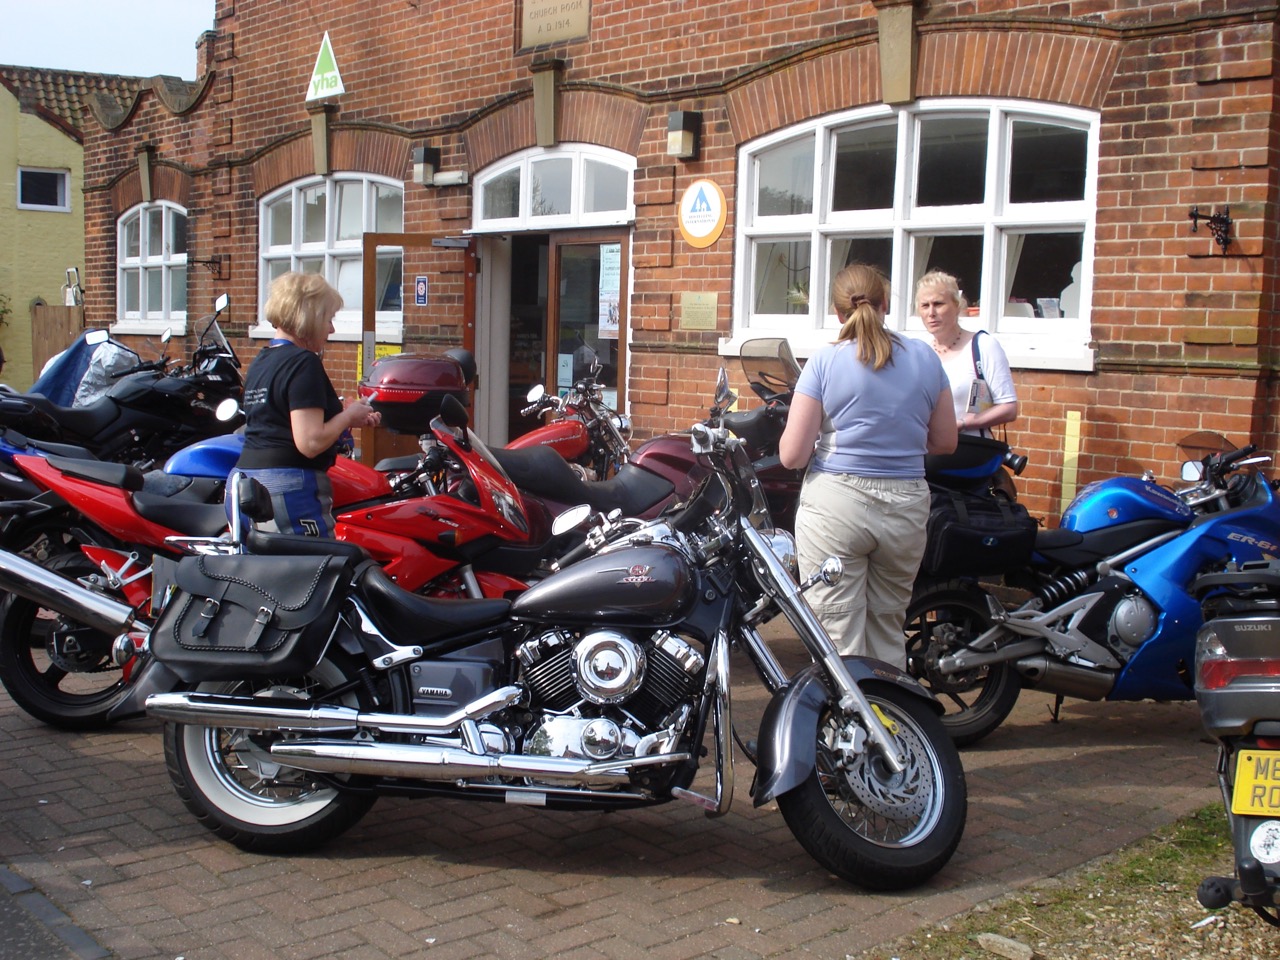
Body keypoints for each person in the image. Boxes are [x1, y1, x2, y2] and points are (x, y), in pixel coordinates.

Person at [779, 263, 957, 668]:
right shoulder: (927, 358)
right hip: (906, 504)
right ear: (885, 303)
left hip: (836, 505)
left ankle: (847, 727)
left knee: (836, 633)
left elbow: (792, 455)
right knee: (888, 625)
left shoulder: (824, 362)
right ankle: (892, 722)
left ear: (839, 313)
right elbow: (945, 441)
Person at [232, 272, 381, 536]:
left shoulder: (262, 360)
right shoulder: (304, 362)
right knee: (320, 572)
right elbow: (310, 442)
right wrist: (347, 418)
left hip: (245, 484)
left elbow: (278, 423)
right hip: (285, 490)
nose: (331, 329)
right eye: (328, 319)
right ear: (309, 317)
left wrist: (348, 415)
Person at [915, 270, 1018, 436]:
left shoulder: (982, 345)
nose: (931, 313)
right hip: (927, 453)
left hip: (970, 453)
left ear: (957, 306)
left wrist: (962, 424)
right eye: (925, 306)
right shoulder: (918, 350)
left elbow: (1009, 408)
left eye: (939, 304)